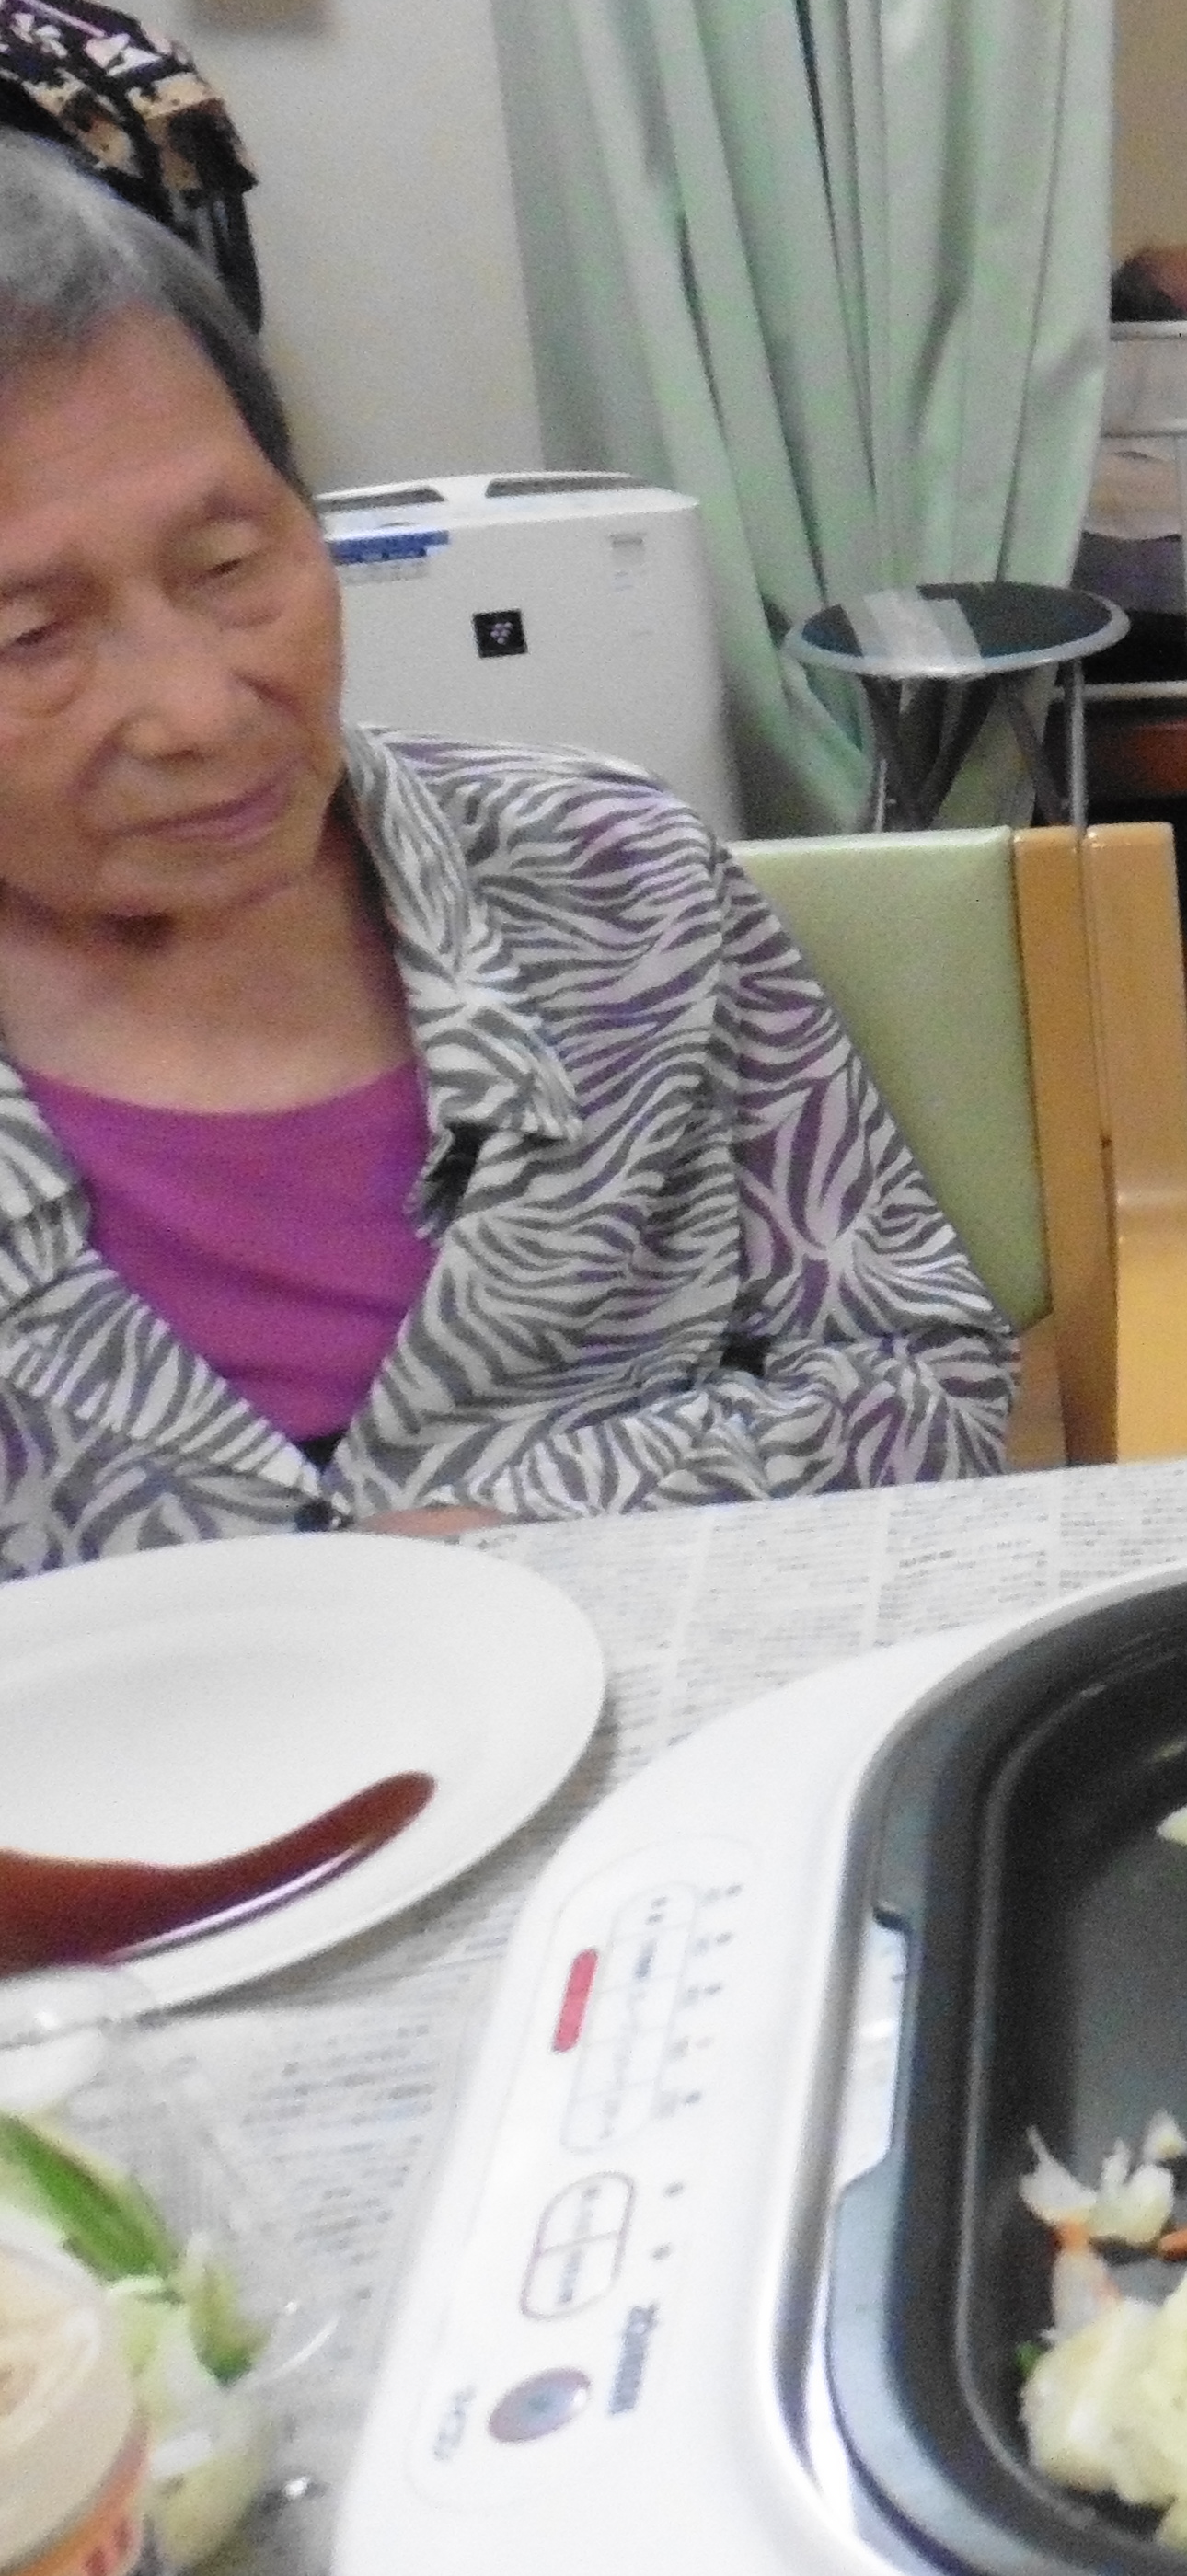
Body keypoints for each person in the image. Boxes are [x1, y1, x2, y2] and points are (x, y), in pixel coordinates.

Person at [0, 139, 1016, 1567]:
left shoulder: (616, 886)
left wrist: (518, 1540)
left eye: (228, 566)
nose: (201, 710)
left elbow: (919, 1379)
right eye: (31, 637)